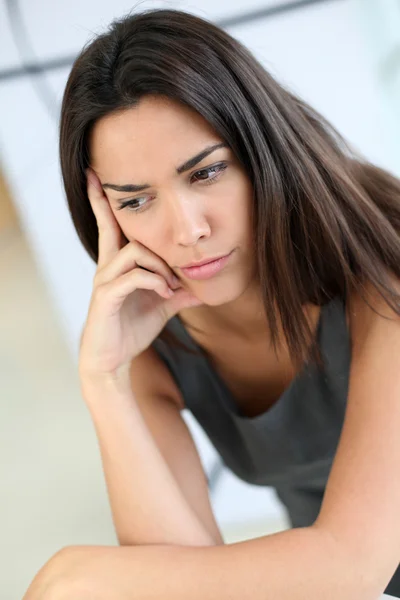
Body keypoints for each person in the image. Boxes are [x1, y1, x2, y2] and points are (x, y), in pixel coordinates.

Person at [23, 7, 400, 600]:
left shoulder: (383, 275)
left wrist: (76, 573)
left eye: (206, 173)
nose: (186, 229)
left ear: (264, 152)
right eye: (136, 200)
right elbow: (178, 581)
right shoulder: (146, 335)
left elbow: (351, 568)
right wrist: (106, 381)